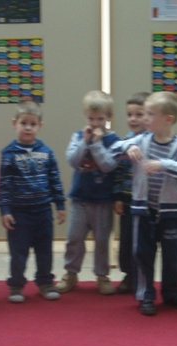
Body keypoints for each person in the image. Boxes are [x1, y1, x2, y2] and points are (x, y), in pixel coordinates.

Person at [110, 91, 177, 316]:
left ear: (168, 119)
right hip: (143, 210)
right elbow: (112, 151)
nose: (144, 118)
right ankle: (145, 295)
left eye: (150, 114)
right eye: (144, 114)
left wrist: (163, 164)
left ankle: (172, 293)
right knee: (142, 254)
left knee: (173, 257)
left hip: (172, 212)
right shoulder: (140, 141)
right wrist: (126, 148)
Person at [0, 101, 66, 303]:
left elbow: (55, 180)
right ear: (14, 123)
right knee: (18, 253)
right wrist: (5, 209)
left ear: (39, 126)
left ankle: (45, 282)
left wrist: (60, 205)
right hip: (19, 214)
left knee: (44, 251)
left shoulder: (47, 152)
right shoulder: (9, 153)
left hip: (43, 211)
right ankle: (16, 285)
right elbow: (4, 184)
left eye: (33, 124)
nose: (28, 128)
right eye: (23, 123)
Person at [56, 91, 120, 296]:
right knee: (74, 238)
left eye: (100, 119)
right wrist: (85, 142)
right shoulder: (78, 136)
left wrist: (97, 144)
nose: (95, 123)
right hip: (80, 199)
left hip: (103, 201)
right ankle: (71, 273)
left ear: (108, 117)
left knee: (102, 241)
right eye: (91, 119)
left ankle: (102, 276)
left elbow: (108, 165)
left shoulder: (113, 140)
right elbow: (72, 161)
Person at [112, 92, 148, 294]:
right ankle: (128, 274)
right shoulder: (124, 142)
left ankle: (142, 274)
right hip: (127, 199)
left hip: (146, 201)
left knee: (143, 242)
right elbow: (118, 171)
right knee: (126, 240)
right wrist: (118, 197)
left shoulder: (154, 141)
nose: (133, 119)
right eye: (129, 114)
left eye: (139, 114)